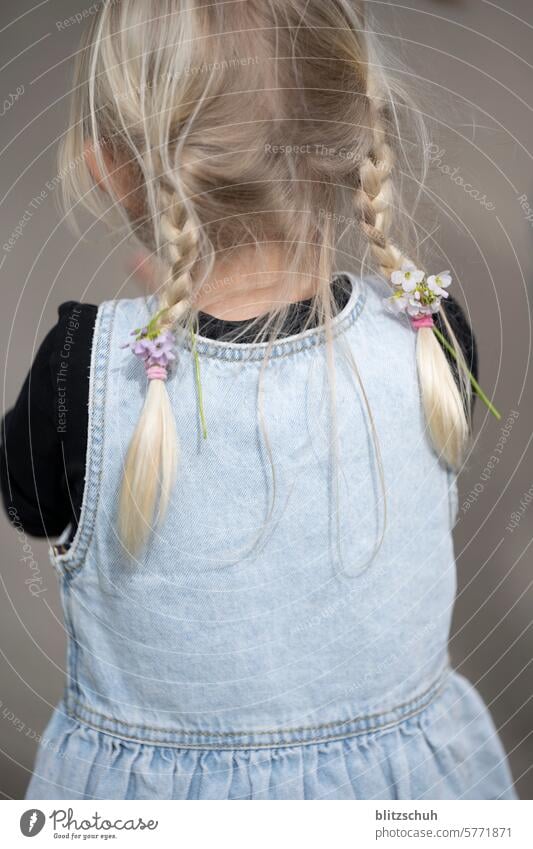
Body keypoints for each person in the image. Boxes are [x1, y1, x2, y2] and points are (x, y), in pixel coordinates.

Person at [1, 0, 515, 800]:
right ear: (357, 133)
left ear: (111, 167)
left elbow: (29, 501)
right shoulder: (428, 332)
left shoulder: (79, 370)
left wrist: (149, 343)